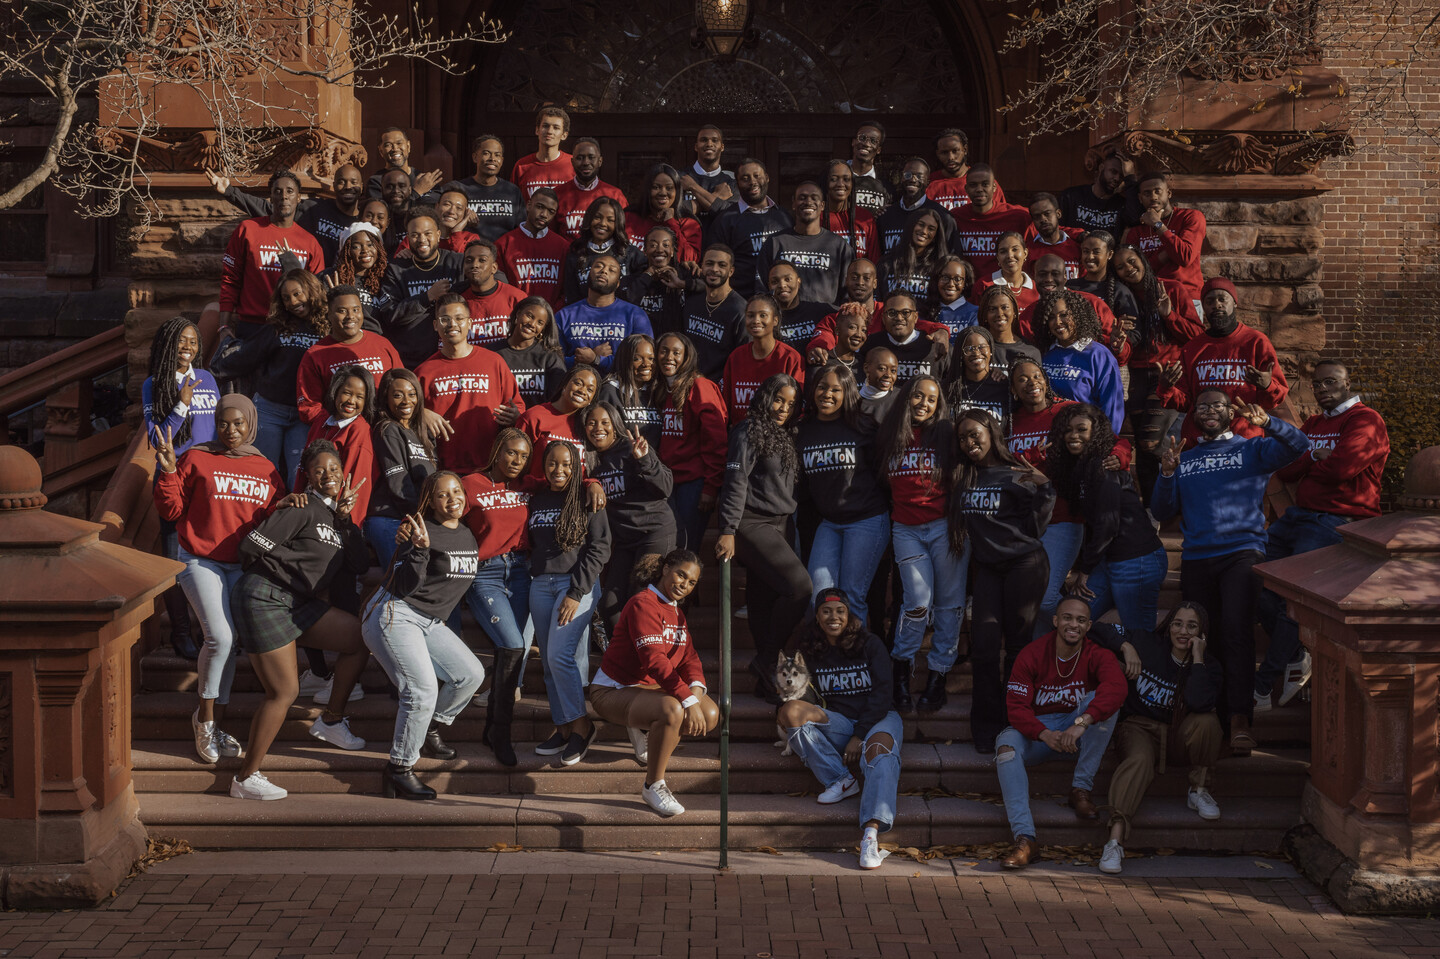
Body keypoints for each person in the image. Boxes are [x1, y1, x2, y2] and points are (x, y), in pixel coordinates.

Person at [1152, 391, 1309, 755]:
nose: (1209, 410)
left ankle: (1239, 720)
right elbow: (1161, 510)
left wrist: (1268, 423)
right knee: (1202, 637)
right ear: (1194, 415)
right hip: (1197, 557)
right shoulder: (1186, 458)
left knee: (1236, 631)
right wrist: (1167, 473)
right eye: (1202, 405)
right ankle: (1207, 714)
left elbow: (1299, 445)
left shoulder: (1251, 449)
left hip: (1241, 552)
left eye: (1217, 405)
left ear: (1230, 412)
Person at [229, 439, 371, 800]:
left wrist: (346, 520)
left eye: (334, 468)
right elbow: (250, 548)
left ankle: (331, 720)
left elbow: (359, 564)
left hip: (297, 603)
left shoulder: (337, 517)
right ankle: (245, 778)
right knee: (285, 692)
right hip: (265, 596)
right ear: (307, 476)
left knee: (359, 637)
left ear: (344, 473)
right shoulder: (301, 506)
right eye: (319, 470)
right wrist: (283, 576)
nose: (328, 475)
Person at [153, 395, 284, 763]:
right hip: (199, 558)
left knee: (231, 642)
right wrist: (168, 471)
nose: (231, 430)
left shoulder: (265, 468)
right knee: (220, 637)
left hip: (242, 565)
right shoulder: (196, 458)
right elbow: (171, 510)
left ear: (251, 424)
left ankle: (217, 723)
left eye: (238, 423)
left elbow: (274, 519)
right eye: (224, 423)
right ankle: (205, 721)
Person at [1256, 361, 1389, 710]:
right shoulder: (1315, 424)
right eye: (1317, 384)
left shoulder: (1366, 420)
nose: (1323, 389)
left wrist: (1309, 461)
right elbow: (1286, 470)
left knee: (1294, 597)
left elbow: (1343, 468)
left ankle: (1263, 684)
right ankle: (1299, 651)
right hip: (1298, 516)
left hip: (1337, 520)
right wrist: (1316, 454)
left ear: (1348, 383)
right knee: (1255, 576)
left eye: (1330, 382)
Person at [361, 472, 485, 800]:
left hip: (429, 621)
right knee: (421, 690)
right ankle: (399, 769)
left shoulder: (467, 533)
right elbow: (404, 585)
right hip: (395, 611)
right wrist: (418, 549)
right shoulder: (418, 531)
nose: (452, 498)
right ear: (431, 501)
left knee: (470, 674)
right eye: (442, 495)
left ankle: (428, 728)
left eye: (456, 491)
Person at [994, 598, 1127, 868]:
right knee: (1006, 747)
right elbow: (1016, 708)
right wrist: (1043, 733)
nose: (1073, 624)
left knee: (1104, 705)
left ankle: (1081, 789)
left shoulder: (1097, 654)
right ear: (1055, 621)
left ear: (1088, 626)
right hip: (1040, 734)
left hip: (1077, 734)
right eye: (1067, 617)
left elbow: (1117, 687)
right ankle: (1025, 838)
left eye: (1080, 620)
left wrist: (1082, 723)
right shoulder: (1032, 654)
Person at [952, 409, 1056, 752]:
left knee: (1017, 647)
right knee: (983, 649)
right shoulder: (964, 475)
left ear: (991, 432)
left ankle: (1014, 722)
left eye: (974, 434)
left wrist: (1044, 488)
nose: (969, 442)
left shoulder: (1016, 472)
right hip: (988, 569)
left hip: (1025, 564)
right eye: (962, 438)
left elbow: (1035, 528)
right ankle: (986, 727)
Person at [778, 588, 902, 870]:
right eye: (826, 611)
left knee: (879, 752)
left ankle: (870, 835)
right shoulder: (809, 648)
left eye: (840, 611)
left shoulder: (870, 644)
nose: (833, 617)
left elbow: (883, 693)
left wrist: (860, 735)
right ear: (817, 617)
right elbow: (800, 689)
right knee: (790, 711)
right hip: (839, 721)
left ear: (848, 615)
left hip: (879, 717)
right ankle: (840, 779)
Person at [1097, 601, 1225, 874]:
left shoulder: (1209, 666)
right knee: (1139, 760)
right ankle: (1114, 841)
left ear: (1202, 633)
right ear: (1168, 626)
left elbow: (1199, 702)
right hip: (1139, 728)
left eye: (1192, 626)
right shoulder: (1146, 643)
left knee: (1207, 722)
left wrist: (1198, 658)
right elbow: (1098, 629)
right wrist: (1126, 646)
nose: (1183, 631)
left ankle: (1199, 790)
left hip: (1178, 735)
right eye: (1178, 623)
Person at [589, 549, 719, 816]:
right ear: (665, 569)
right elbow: (654, 661)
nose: (684, 584)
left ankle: (644, 726)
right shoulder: (643, 603)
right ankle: (653, 785)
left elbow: (689, 658)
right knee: (673, 710)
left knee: (710, 713)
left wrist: (695, 692)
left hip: (650, 689)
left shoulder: (676, 612)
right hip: (614, 689)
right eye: (681, 575)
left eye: (691, 582)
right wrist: (686, 700)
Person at [715, 374, 811, 703]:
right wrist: (728, 529)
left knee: (764, 598)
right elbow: (735, 481)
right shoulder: (747, 430)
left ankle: (766, 678)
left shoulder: (789, 432)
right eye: (778, 400)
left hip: (783, 522)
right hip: (751, 522)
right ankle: (768, 658)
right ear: (765, 397)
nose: (783, 408)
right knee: (800, 587)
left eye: (791, 403)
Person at [878, 375, 961, 714]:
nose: (924, 403)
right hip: (906, 529)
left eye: (931, 399)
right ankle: (901, 669)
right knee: (916, 603)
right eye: (917, 396)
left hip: (944, 527)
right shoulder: (890, 435)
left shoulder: (946, 433)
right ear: (906, 398)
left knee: (949, 605)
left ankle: (938, 675)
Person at [1047, 403, 1167, 633]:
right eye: (1068, 430)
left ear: (1095, 432)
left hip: (1136, 560)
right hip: (1108, 559)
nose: (1073, 435)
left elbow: (1107, 524)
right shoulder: (1079, 466)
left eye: (1081, 429)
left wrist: (1084, 570)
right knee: (1074, 620)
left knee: (1139, 636)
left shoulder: (1104, 464)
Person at [528, 441, 613, 766]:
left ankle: (582, 726)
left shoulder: (588, 496)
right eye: (552, 463)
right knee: (550, 664)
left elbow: (600, 547)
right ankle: (563, 727)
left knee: (559, 656)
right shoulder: (537, 498)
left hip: (575, 584)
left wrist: (576, 592)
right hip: (541, 584)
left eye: (566, 464)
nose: (559, 470)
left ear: (577, 465)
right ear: (544, 465)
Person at [143, 316, 220, 660]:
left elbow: (217, 427)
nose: (188, 347)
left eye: (193, 341)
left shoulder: (207, 378)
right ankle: (181, 631)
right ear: (168, 344)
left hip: (207, 477)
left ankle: (210, 629)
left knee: (211, 553)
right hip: (173, 477)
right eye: (181, 341)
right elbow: (156, 437)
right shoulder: (153, 384)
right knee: (174, 559)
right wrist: (181, 404)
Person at [462, 429, 535, 766]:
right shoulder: (471, 484)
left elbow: (566, 478)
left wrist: (592, 483)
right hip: (485, 573)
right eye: (511, 453)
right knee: (513, 645)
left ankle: (493, 729)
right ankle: (501, 734)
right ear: (496, 450)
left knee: (511, 651)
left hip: (521, 572)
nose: (517, 461)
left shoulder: (527, 486)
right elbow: (442, 516)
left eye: (523, 456)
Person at [797, 365, 889, 630]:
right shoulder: (803, 430)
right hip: (829, 523)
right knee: (818, 596)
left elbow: (882, 472)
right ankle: (824, 654)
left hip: (867, 520)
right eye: (822, 387)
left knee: (851, 597)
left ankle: (855, 653)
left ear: (847, 392)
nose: (827, 394)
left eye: (836, 389)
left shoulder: (863, 427)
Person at [212, 269, 327, 482]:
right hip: (269, 410)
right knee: (263, 473)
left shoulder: (328, 328)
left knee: (299, 477)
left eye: (297, 294)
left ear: (312, 290)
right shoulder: (277, 327)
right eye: (286, 298)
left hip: (304, 416)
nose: (293, 302)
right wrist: (211, 372)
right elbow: (246, 357)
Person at [1157, 276, 1289, 444]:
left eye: (1222, 299)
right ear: (1203, 307)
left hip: (1244, 441)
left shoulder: (1256, 342)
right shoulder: (1192, 348)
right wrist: (1167, 387)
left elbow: (1274, 400)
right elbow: (1185, 403)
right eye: (1209, 301)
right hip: (1200, 442)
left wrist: (1267, 385)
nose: (1216, 305)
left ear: (1234, 303)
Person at [588, 395, 676, 630]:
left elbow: (665, 487)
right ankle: (627, 652)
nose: (598, 428)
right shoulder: (590, 459)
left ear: (615, 424)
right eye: (591, 423)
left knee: (639, 603)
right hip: (624, 541)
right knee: (609, 607)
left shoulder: (631, 447)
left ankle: (644, 653)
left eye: (605, 422)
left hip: (653, 533)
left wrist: (644, 460)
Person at [414, 293, 525, 474]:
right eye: (445, 319)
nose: (452, 324)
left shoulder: (494, 362)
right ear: (435, 325)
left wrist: (515, 415)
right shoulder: (424, 372)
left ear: (470, 323)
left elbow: (517, 406)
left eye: (459, 318)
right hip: (443, 470)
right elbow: (406, 415)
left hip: (490, 467)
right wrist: (421, 413)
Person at [218, 170, 325, 337]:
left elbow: (316, 293)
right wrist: (224, 326)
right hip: (251, 326)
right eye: (278, 191)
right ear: (271, 198)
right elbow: (230, 280)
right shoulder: (248, 230)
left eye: (290, 191)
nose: (284, 196)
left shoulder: (310, 243)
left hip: (293, 328)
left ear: (298, 198)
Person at [654, 332, 728, 552]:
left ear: (687, 357)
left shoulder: (700, 387)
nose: (669, 357)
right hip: (667, 484)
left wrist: (711, 487)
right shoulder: (660, 389)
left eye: (676, 353)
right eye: (664, 351)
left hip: (693, 484)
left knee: (685, 550)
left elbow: (716, 441)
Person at [295, 284, 402, 426]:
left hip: (384, 429)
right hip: (342, 433)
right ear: (329, 314)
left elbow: (401, 387)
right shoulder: (315, 355)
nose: (350, 316)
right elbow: (309, 408)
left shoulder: (382, 344)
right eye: (342, 311)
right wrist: (342, 426)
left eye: (356, 310)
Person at [367, 369, 436, 571]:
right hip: (392, 520)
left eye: (412, 394)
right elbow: (398, 483)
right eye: (397, 395)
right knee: (400, 582)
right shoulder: (387, 429)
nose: (406, 401)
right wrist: (418, 518)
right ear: (385, 399)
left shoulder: (423, 434)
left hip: (414, 520)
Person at [378, 206, 465, 366]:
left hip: (452, 358)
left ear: (438, 234)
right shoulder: (396, 270)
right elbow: (390, 315)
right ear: (408, 238)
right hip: (409, 362)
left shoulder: (456, 262)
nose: (421, 239)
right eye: (415, 235)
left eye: (427, 233)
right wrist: (427, 297)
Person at [1035, 290, 1126, 435]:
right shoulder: (1044, 353)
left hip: (1084, 438)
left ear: (1077, 315)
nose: (1057, 322)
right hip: (1047, 437)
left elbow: (1112, 407)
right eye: (1051, 317)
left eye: (1064, 315)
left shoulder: (1098, 355)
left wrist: (1104, 441)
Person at [757, 181, 853, 308]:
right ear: (793, 204)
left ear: (822, 205)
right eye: (802, 198)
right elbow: (762, 288)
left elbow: (847, 293)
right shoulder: (775, 242)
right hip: (784, 318)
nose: (808, 202)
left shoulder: (839, 246)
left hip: (825, 318)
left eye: (814, 198)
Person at [707, 158, 793, 297]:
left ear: (767, 178)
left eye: (757, 176)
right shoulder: (726, 219)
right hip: (742, 299)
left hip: (782, 299)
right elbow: (715, 263)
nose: (752, 182)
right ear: (737, 184)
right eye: (745, 178)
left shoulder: (784, 217)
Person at [304, 365, 377, 527]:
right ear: (335, 392)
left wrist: (346, 525)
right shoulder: (321, 421)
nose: (352, 401)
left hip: (332, 516)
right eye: (347, 393)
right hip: (308, 504)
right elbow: (304, 467)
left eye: (360, 397)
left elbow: (356, 484)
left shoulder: (360, 430)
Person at [1123, 171, 1207, 312]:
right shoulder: (1136, 232)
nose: (1153, 197)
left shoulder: (1190, 217)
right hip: (1150, 299)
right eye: (1147, 193)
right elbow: (1137, 271)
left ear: (1168, 193)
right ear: (1140, 198)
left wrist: (1157, 224)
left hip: (1187, 297)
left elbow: (1185, 256)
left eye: (1158, 191)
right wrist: (1165, 254)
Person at [556, 253, 654, 372]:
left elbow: (644, 361)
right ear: (588, 275)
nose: (604, 271)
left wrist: (596, 359)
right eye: (598, 266)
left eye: (612, 270)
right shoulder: (564, 315)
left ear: (618, 284)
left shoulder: (635, 315)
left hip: (620, 382)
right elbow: (553, 360)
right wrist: (578, 360)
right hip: (577, 381)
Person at [721, 294, 804, 422]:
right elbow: (725, 405)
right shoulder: (735, 357)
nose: (756, 320)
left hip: (776, 432)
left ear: (775, 320)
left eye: (763, 315)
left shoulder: (791, 358)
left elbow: (796, 408)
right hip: (739, 431)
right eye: (750, 316)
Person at [516, 363, 599, 482]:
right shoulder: (534, 417)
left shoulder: (589, 425)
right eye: (578, 383)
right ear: (565, 384)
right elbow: (517, 463)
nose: (582, 391)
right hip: (539, 491)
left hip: (578, 493)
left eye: (590, 389)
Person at [676, 244, 749, 379]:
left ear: (731, 271)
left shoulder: (740, 311)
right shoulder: (692, 302)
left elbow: (742, 361)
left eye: (722, 265)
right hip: (686, 382)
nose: (714, 269)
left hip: (718, 388)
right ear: (702, 267)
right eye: (709, 264)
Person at [439, 134, 526, 242]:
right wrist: (461, 217)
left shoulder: (512, 191)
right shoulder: (456, 189)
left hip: (504, 251)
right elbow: (435, 215)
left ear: (502, 160)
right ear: (475, 157)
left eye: (497, 155)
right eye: (486, 153)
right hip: (466, 251)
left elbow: (521, 229)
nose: (492, 159)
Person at [950, 164, 1031, 280]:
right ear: (966, 189)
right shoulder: (954, 217)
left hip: (1005, 286)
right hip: (967, 286)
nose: (979, 189)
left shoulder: (1018, 215)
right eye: (973, 185)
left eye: (985, 184)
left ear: (994, 187)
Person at [564, 196, 646, 306]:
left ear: (618, 223)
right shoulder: (576, 254)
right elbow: (571, 298)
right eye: (597, 217)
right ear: (589, 218)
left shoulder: (628, 252)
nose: (603, 223)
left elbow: (646, 277)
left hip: (622, 314)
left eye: (610, 220)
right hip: (586, 314)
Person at [495, 188, 568, 308]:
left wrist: (552, 314)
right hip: (515, 315)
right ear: (528, 205)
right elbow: (500, 289)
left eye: (551, 211)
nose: (544, 214)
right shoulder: (503, 244)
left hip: (552, 316)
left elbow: (566, 291)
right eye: (540, 207)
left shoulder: (563, 247)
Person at [494, 296, 568, 408]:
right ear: (518, 314)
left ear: (543, 329)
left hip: (537, 418)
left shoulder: (550, 358)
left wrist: (526, 416)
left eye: (540, 323)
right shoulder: (492, 353)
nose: (532, 324)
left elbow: (557, 402)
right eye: (529, 316)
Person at [857, 293, 947, 384]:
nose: (899, 318)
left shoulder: (935, 346)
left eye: (905, 313)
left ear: (915, 317)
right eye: (892, 313)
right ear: (883, 318)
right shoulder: (870, 345)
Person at [624, 163, 702, 262]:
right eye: (656, 187)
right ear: (647, 190)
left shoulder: (689, 223)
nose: (663, 193)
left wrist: (671, 223)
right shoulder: (629, 217)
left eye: (669, 188)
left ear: (677, 192)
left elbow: (690, 259)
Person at [617, 227, 690, 333]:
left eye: (666, 245)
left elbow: (706, 287)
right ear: (645, 251)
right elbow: (623, 305)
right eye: (653, 245)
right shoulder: (631, 279)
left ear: (672, 251)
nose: (659, 250)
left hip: (672, 341)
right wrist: (648, 275)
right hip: (641, 341)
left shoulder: (684, 276)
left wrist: (680, 284)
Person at [877, 156, 954, 255]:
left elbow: (951, 257)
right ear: (901, 178)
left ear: (927, 182)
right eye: (907, 175)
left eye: (919, 176)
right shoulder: (885, 216)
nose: (913, 179)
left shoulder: (942, 216)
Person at [457, 238, 526, 348]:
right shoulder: (457, 303)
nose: (475, 265)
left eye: (482, 260)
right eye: (469, 260)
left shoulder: (517, 298)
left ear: (494, 268)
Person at [553, 137, 628, 239]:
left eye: (591, 157)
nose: (586, 162)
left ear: (600, 161)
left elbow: (623, 233)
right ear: (572, 162)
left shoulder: (615, 195)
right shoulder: (557, 194)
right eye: (580, 158)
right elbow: (550, 234)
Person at [597, 334, 662, 447]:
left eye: (651, 358)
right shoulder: (610, 392)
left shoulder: (658, 391)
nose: (646, 364)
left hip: (655, 459)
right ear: (624, 360)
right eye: (637, 359)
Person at [324, 223, 389, 326]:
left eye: (370, 245)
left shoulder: (387, 277)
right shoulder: (332, 277)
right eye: (356, 246)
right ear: (346, 251)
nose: (365, 250)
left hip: (377, 335)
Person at [943, 327, 1012, 425]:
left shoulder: (1005, 388)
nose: (976, 353)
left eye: (982, 347)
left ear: (991, 350)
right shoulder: (948, 388)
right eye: (969, 349)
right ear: (961, 354)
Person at [878, 209, 947, 303]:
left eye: (931, 229)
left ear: (935, 236)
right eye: (921, 224)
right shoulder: (887, 263)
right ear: (911, 225)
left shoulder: (939, 267)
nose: (924, 231)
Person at [1059, 152, 1129, 239]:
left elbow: (1136, 220)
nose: (1117, 178)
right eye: (1113, 172)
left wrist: (1131, 177)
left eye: (1122, 176)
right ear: (1101, 167)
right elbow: (1057, 229)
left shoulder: (1122, 204)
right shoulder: (1071, 196)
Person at [769, 261, 835, 351]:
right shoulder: (766, 320)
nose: (782, 285)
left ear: (798, 282)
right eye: (775, 281)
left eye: (787, 279)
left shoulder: (821, 312)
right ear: (769, 286)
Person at [976, 286, 1042, 376]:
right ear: (985, 314)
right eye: (992, 309)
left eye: (1005, 307)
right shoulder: (977, 349)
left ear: (1014, 311)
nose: (999, 314)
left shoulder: (1031, 352)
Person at [822, 160, 879, 262]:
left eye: (846, 179)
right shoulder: (817, 217)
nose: (840, 184)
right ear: (825, 183)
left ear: (852, 184)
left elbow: (874, 260)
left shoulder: (864, 218)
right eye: (833, 179)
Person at [364, 127, 442, 201]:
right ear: (381, 151)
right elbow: (384, 209)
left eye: (399, 143)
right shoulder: (376, 182)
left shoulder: (424, 180)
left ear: (408, 146)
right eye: (388, 145)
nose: (395, 148)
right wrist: (416, 192)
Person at [513, 105, 575, 197]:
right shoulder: (522, 166)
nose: (549, 131)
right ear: (537, 130)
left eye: (556, 127)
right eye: (545, 126)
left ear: (564, 135)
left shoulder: (574, 164)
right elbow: (513, 201)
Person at [677, 124, 737, 219]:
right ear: (696, 146)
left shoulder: (731, 184)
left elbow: (729, 212)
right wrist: (718, 196)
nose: (709, 144)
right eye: (704, 140)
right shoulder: (679, 178)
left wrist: (693, 186)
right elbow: (675, 211)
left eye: (715, 140)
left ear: (722, 147)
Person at [972, 231, 1037, 311]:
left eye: (1015, 249)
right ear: (998, 257)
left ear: (1025, 253)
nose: (1010, 255)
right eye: (1003, 251)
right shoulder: (983, 286)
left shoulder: (1037, 289)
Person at [1025, 193, 1084, 280]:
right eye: (1037, 216)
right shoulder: (1028, 252)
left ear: (1058, 213)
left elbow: (1085, 280)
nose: (1043, 219)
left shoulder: (1078, 247)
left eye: (1047, 213)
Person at [847, 122, 892, 215]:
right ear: (853, 142)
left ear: (878, 150)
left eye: (873, 141)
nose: (866, 144)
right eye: (862, 138)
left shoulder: (886, 186)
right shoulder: (833, 176)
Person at [932, 256, 980, 338]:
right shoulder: (926, 311)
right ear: (937, 279)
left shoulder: (975, 313)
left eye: (957, 279)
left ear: (965, 283)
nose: (951, 284)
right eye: (945, 277)